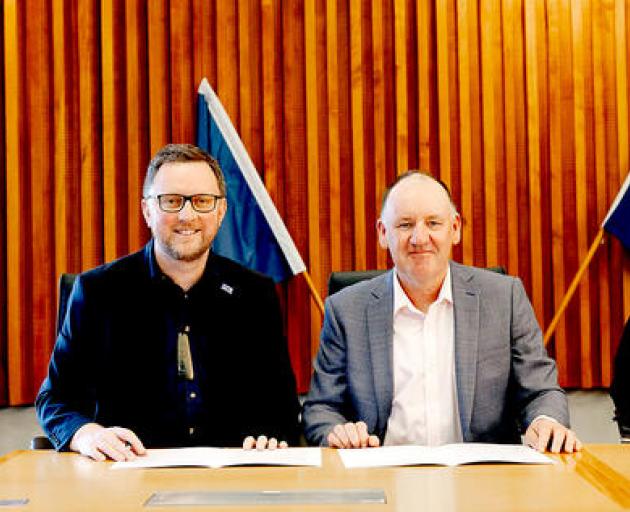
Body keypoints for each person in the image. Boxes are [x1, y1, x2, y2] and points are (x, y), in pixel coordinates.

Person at [36, 143, 300, 461]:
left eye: (202, 201)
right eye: (172, 201)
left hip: (233, 479)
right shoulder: (97, 292)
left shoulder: (255, 294)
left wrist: (269, 439)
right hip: (125, 479)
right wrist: (86, 434)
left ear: (221, 211)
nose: (186, 215)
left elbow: (282, 408)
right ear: (148, 210)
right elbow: (55, 398)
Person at [303, 171, 581, 453]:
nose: (419, 237)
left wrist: (546, 421)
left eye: (433, 223)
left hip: (482, 482)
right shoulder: (346, 310)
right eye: (405, 224)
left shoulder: (504, 298)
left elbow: (541, 391)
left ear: (455, 228)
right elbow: (320, 409)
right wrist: (337, 432)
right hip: (384, 477)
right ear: (383, 234)